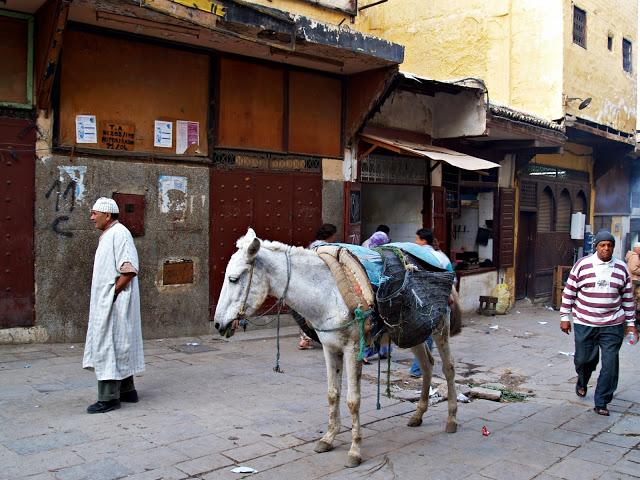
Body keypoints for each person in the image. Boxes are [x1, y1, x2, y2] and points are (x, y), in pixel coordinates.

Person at [560, 230, 637, 416]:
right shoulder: (582, 265)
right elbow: (569, 291)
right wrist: (564, 317)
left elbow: (627, 298)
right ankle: (582, 379)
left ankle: (602, 401)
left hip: (612, 324)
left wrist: (631, 323)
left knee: (610, 365)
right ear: (596, 247)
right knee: (585, 360)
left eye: (609, 245)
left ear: (613, 248)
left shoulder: (620, 268)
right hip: (585, 321)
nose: (606, 248)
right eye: (602, 245)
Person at [83, 197, 144, 413]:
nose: (92, 217)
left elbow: (129, 269)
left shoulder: (119, 233)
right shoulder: (110, 234)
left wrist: (114, 292)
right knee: (120, 342)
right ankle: (127, 391)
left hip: (115, 301)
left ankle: (108, 398)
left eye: (95, 213)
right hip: (110, 300)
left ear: (107, 215)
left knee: (108, 344)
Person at [409, 228, 452, 377]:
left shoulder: (417, 255)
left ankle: (418, 369)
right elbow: (451, 278)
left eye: (417, 239)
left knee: (425, 336)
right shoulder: (442, 257)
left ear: (423, 240)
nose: (415, 242)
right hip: (441, 301)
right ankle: (419, 368)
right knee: (437, 339)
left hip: (424, 301)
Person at [299, 223, 338, 349]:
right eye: (334, 235)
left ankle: (305, 339)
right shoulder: (325, 248)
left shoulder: (313, 246)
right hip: (320, 284)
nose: (335, 238)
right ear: (330, 235)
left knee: (309, 313)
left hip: (309, 283)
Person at [624, 243, 640, 316]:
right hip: (634, 279)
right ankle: (632, 315)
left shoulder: (631, 256)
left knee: (632, 297)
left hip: (632, 279)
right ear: (636, 249)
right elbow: (634, 269)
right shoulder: (635, 256)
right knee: (633, 298)